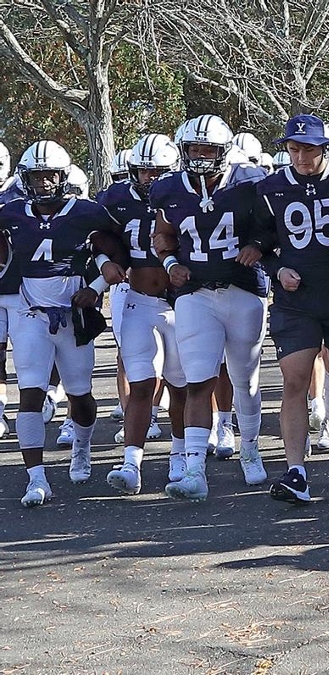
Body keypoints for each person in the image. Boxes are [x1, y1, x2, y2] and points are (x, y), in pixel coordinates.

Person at [151, 114, 270, 502]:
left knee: (244, 379)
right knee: (197, 379)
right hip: (196, 295)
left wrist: (259, 246)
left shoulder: (250, 182)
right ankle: (194, 471)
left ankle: (250, 449)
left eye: (209, 149)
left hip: (242, 290)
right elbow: (163, 235)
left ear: (225, 151)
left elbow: (272, 226)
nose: (201, 156)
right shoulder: (169, 188)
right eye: (194, 149)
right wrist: (171, 265)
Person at [3, 140, 126, 506]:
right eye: (37, 177)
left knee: (80, 394)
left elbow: (119, 248)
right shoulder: (10, 212)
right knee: (30, 392)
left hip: (73, 316)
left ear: (63, 176)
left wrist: (97, 284)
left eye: (50, 176)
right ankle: (35, 478)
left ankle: (82, 449)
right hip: (30, 315)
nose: (43, 184)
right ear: (25, 179)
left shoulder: (86, 211)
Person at [254, 114, 329, 504]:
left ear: (325, 148)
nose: (301, 156)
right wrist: (277, 268)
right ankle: (296, 470)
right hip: (295, 300)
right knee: (294, 380)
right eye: (295, 148)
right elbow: (261, 244)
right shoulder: (269, 188)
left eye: (310, 148)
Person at [97, 133, 189, 494]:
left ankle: (180, 454)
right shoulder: (117, 199)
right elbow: (99, 235)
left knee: (182, 385)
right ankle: (131, 462)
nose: (150, 178)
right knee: (141, 384)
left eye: (157, 172)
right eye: (144, 171)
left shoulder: (186, 196)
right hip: (138, 300)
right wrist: (106, 260)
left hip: (182, 304)